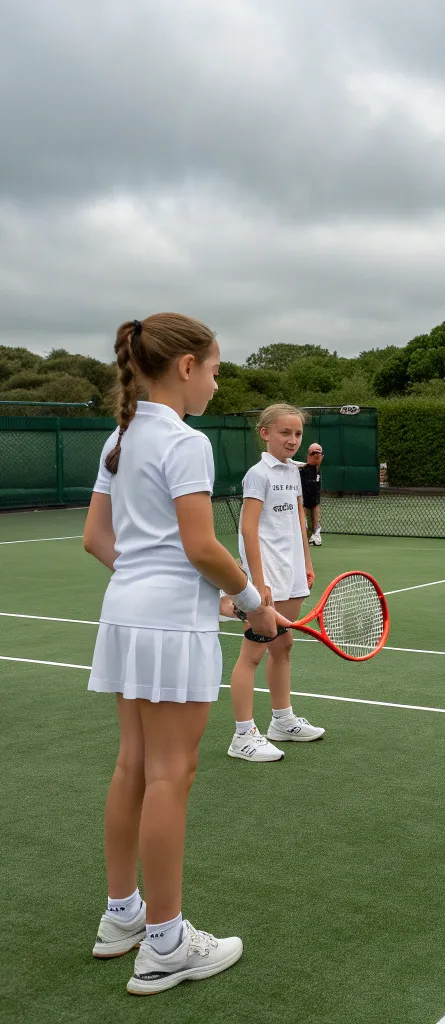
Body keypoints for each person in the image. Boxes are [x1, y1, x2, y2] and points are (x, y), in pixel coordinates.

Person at [83, 314, 280, 995]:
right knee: (171, 773)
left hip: (127, 614)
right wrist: (252, 599)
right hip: (167, 624)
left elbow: (98, 539)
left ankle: (123, 919)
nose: (219, 383)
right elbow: (199, 547)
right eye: (217, 369)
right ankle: (165, 943)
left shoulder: (120, 435)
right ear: (188, 367)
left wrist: (180, 588)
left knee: (133, 766)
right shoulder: (182, 440)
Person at [227, 404, 324, 763]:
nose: (293, 440)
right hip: (267, 575)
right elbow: (248, 529)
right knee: (252, 653)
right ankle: (242, 735)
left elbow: (299, 522)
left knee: (283, 647)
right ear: (265, 433)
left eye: (297, 434)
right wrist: (258, 581)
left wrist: (307, 562)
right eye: (285, 433)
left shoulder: (294, 472)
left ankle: (282, 721)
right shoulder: (258, 474)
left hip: (292, 573)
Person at [299, 442, 323, 546]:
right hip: (303, 501)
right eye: (314, 453)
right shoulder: (302, 469)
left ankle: (316, 535)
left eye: (319, 453)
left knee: (316, 508)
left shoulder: (317, 470)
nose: (317, 455)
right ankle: (303, 536)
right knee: (304, 523)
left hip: (314, 501)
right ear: (309, 455)